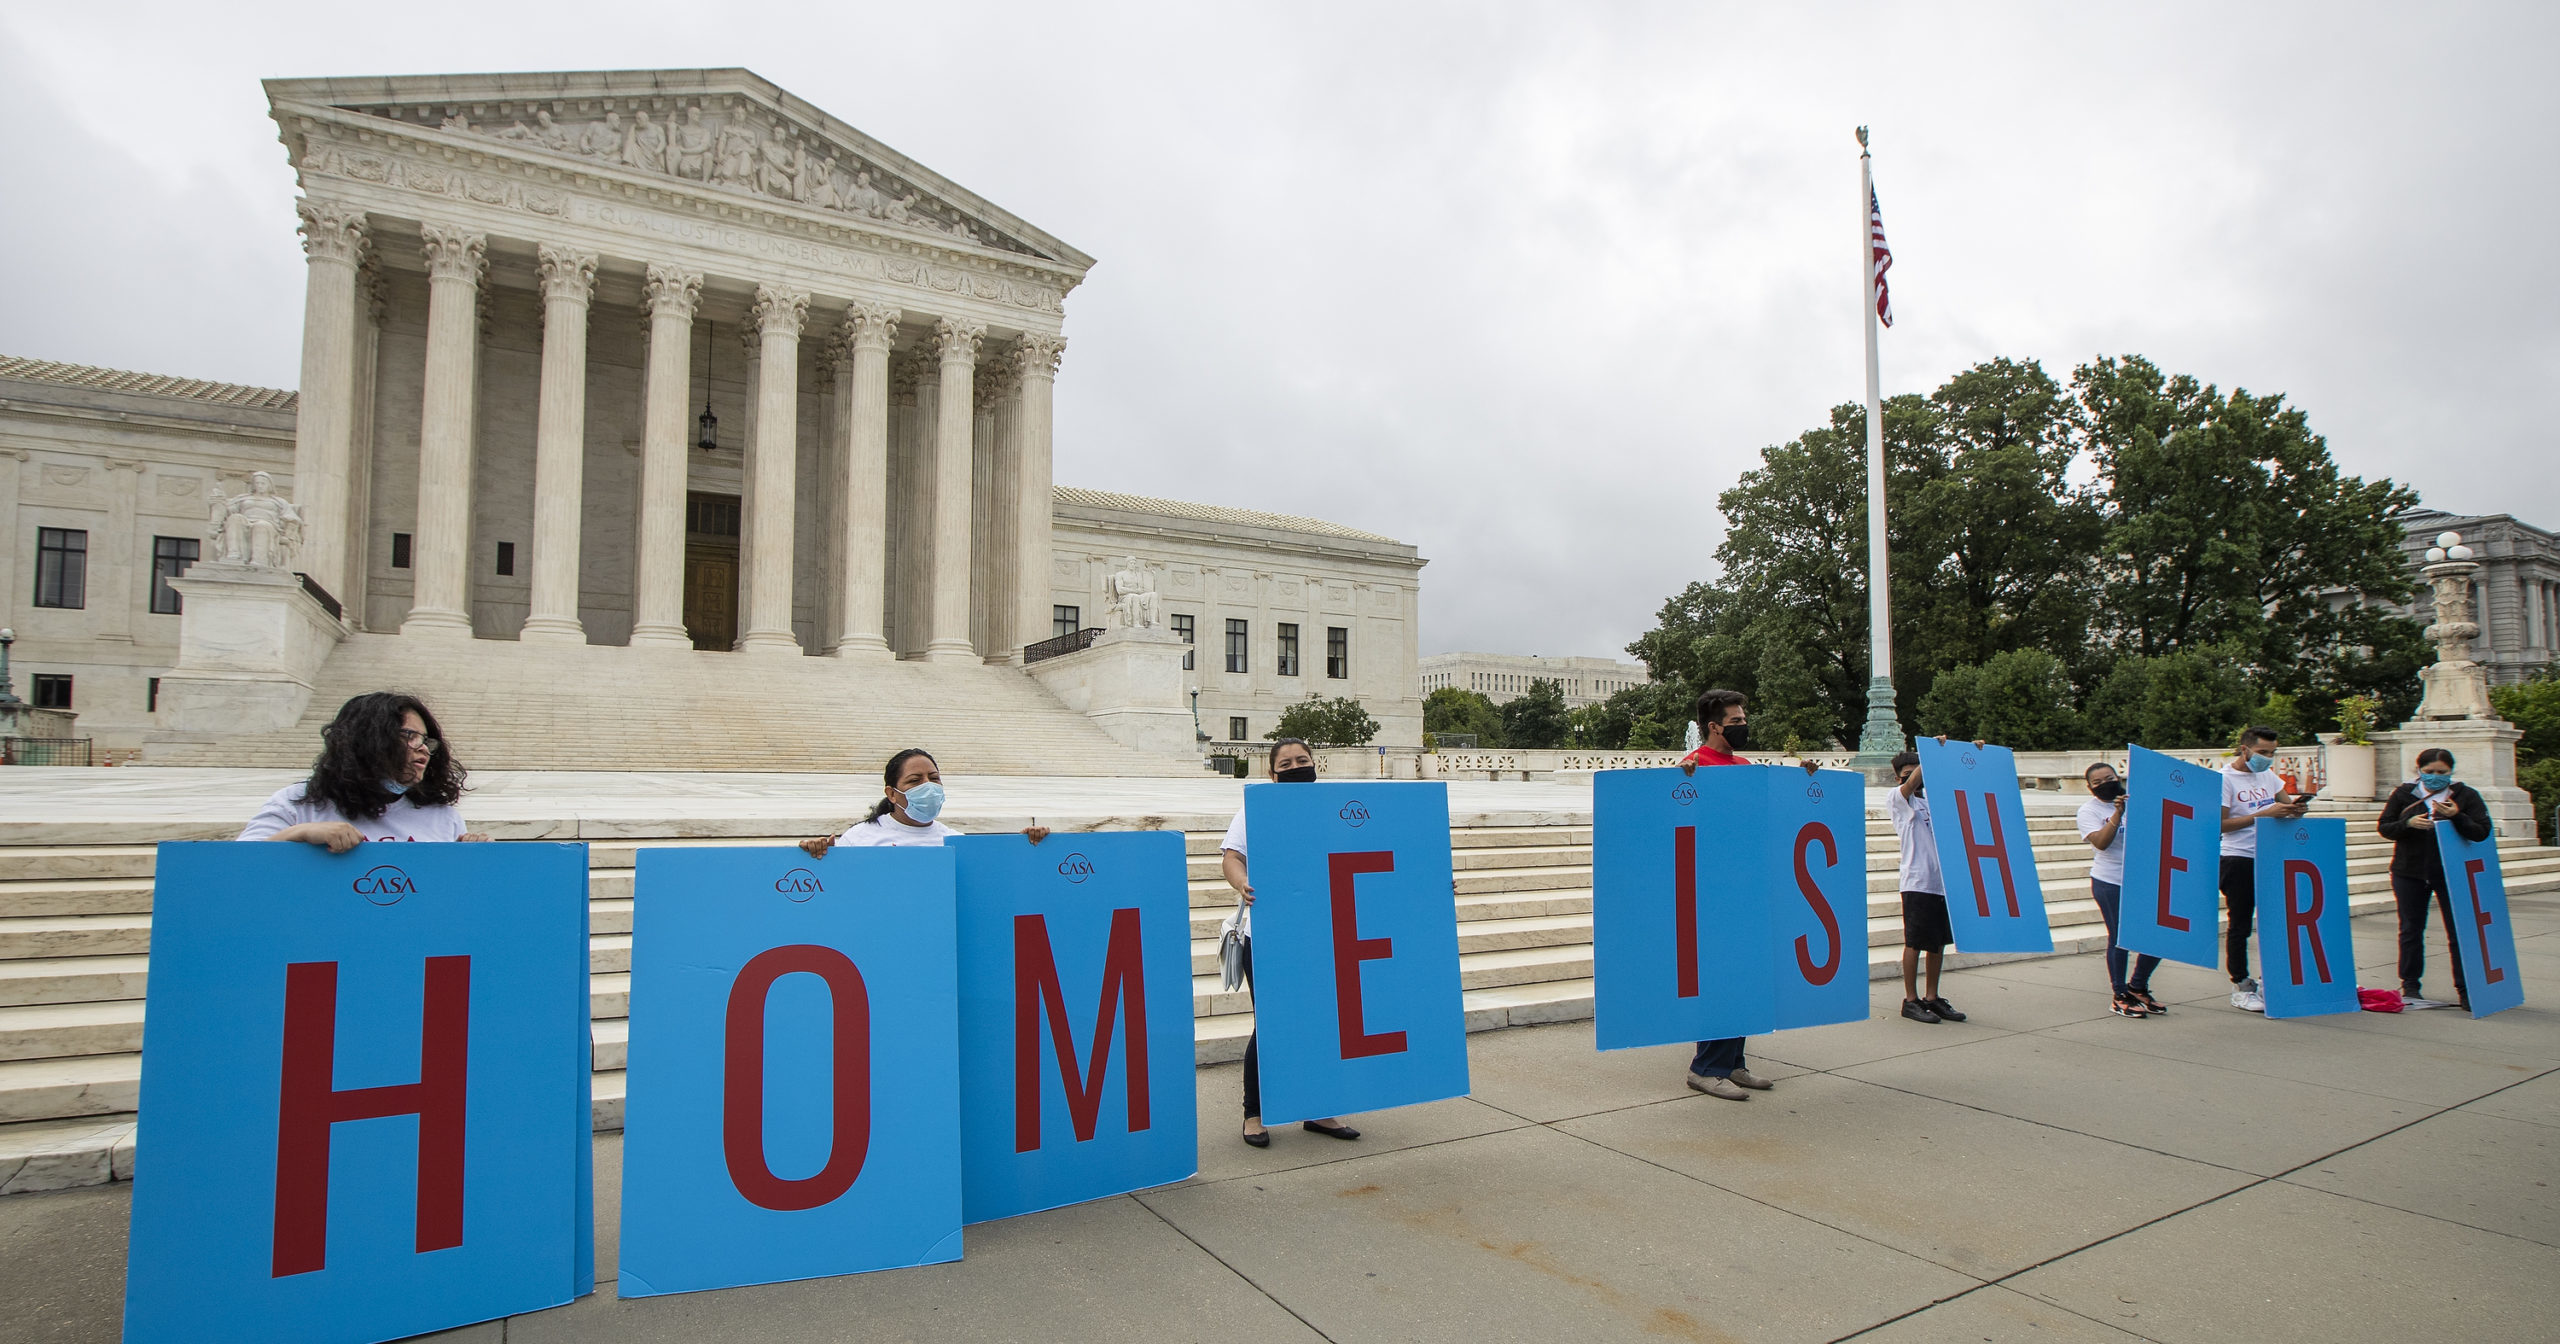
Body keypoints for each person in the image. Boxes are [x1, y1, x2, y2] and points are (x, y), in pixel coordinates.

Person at [1672, 688, 1815, 1101]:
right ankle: (1705, 1068)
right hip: (1716, 892)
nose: (1743, 726)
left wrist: (1801, 780)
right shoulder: (1694, 766)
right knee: (1721, 979)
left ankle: (1733, 1063)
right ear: (1714, 726)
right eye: (1735, 721)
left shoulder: (1743, 765)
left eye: (1743, 719)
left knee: (1746, 978)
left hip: (1748, 889)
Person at [1220, 738, 1359, 1148]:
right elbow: (1232, 856)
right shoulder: (1257, 809)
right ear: (1272, 773)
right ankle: (1254, 1114)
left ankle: (1318, 1108)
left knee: (1323, 1021)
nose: (1297, 766)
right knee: (1272, 1024)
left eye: (1304, 760)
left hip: (1322, 934)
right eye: (1287, 762)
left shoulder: (1334, 809)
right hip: (1268, 934)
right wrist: (1242, 883)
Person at [239, 692, 489, 847]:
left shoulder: (442, 816)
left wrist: (470, 854)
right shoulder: (296, 803)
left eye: (426, 740)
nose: (423, 749)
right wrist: (300, 833)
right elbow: (237, 869)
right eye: (410, 736)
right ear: (367, 739)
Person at [2377, 748, 2492, 1009]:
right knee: (2410, 929)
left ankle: (2465, 988)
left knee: (2458, 931)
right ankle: (2410, 984)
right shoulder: (2404, 794)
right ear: (2419, 771)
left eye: (2442, 773)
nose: (2435, 777)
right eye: (2429, 773)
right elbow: (2385, 826)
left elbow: (2481, 831)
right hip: (2409, 871)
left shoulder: (2465, 795)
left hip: (2450, 872)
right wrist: (2407, 824)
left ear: (2451, 772)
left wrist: (2456, 816)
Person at [2218, 726, 2311, 1014]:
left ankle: (2273, 978)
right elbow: (2219, 825)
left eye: (2272, 753)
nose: (2268, 758)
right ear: (2244, 749)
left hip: (2271, 854)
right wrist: (2262, 814)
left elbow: (2285, 805)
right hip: (2238, 857)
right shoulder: (2224, 779)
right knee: (2241, 923)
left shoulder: (2267, 776)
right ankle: (2240, 984)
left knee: (2276, 919)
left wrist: (2296, 809)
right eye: (2262, 752)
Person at [800, 748, 1048, 853]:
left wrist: (1031, 843)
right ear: (892, 793)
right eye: (914, 780)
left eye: (934, 778)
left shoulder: (956, 842)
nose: (927, 786)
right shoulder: (859, 838)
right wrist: (817, 854)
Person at [1885, 746, 1966, 1025]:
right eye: (1908, 775)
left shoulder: (1934, 801)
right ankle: (1911, 999)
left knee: (1938, 943)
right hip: (1917, 881)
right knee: (1915, 942)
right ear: (1899, 778)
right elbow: (1910, 785)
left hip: (1941, 882)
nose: (1918, 780)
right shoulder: (1899, 800)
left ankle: (1932, 997)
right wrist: (1930, 753)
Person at [2079, 761, 2165, 1018]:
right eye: (2098, 783)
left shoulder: (2140, 801)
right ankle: (2119, 995)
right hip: (2110, 881)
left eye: (2110, 778)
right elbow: (2101, 843)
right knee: (2120, 937)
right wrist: (2117, 814)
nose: (2106, 784)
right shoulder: (2088, 811)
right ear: (2090, 788)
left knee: (2158, 935)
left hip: (2143, 879)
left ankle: (2138, 986)